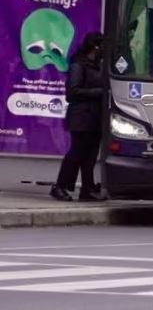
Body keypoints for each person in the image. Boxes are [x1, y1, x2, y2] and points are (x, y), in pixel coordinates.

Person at [50, 32, 106, 202]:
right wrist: (99, 92)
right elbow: (72, 92)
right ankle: (61, 186)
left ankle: (87, 189)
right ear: (95, 47)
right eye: (102, 46)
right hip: (81, 117)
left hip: (95, 118)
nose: (104, 50)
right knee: (76, 153)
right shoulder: (78, 65)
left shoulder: (98, 66)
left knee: (90, 155)